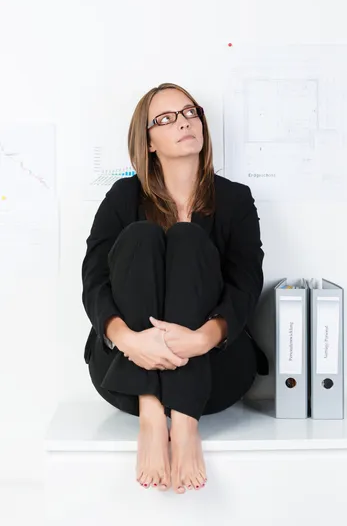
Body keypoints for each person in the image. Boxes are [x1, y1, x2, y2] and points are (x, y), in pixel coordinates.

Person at [81, 82, 269, 495]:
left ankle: (184, 424)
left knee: (186, 239)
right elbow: (93, 278)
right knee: (143, 237)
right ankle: (152, 416)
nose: (184, 122)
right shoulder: (123, 195)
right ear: (147, 141)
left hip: (215, 371)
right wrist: (128, 340)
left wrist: (203, 338)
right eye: (166, 119)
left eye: (190, 112)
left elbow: (246, 283)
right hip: (126, 370)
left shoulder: (235, 200)